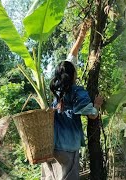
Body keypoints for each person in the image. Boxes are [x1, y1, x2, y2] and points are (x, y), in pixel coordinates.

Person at [41, 20, 103, 180]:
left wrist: (81, 36)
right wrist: (96, 104)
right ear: (73, 74)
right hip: (68, 147)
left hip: (51, 146)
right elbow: (92, 115)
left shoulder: (58, 90)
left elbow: (71, 57)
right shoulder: (77, 92)